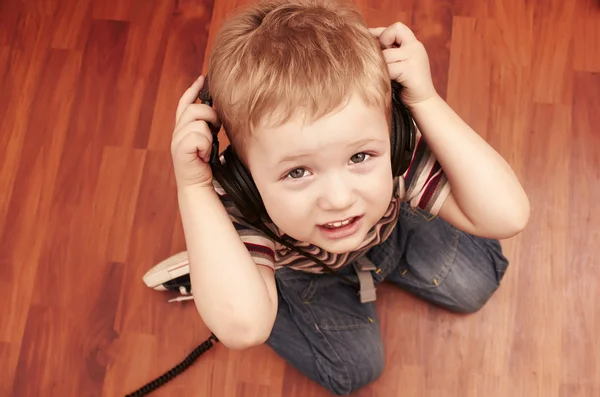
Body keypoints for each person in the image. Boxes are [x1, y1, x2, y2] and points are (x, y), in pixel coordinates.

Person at [145, 0, 530, 394]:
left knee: (481, 279)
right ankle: (223, 271)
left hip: (388, 232)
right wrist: (195, 188)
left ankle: (227, 278)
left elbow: (509, 215)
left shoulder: (399, 151)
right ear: (245, 176)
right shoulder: (241, 203)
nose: (340, 198)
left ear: (391, 135)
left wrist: (426, 102)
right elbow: (243, 330)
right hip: (305, 272)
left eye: (360, 157)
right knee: (355, 371)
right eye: (297, 171)